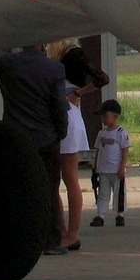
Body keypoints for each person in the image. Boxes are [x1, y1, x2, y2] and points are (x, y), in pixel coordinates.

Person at [0, 43, 72, 255]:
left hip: (17, 138)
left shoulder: (9, 64)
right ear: (43, 45)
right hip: (46, 138)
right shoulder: (54, 69)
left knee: (16, 187)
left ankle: (17, 238)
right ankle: (50, 240)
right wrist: (61, 132)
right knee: (49, 189)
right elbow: (59, 105)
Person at [57, 72, 89, 250]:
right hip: (67, 117)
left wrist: (76, 95)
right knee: (63, 178)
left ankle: (71, 233)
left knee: (68, 177)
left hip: (66, 118)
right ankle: (63, 231)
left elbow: (101, 79)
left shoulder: (70, 58)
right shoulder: (60, 63)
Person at [92, 100, 129, 227]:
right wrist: (95, 166)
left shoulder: (121, 133)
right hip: (103, 170)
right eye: (102, 116)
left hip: (116, 170)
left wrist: (122, 168)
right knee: (103, 193)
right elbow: (98, 151)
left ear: (115, 116)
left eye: (105, 116)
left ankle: (120, 214)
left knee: (119, 193)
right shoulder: (101, 133)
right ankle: (100, 215)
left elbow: (125, 151)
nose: (103, 119)